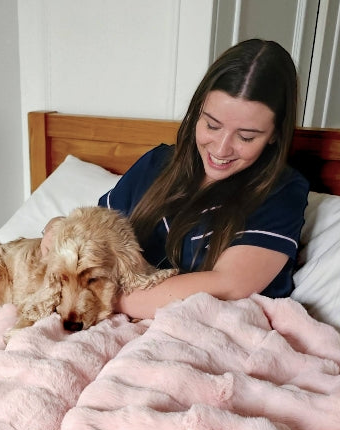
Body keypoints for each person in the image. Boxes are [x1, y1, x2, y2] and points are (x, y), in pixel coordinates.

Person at [41, 39, 309, 320]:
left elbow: (227, 286)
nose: (221, 149)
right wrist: (56, 227)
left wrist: (102, 296)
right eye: (212, 125)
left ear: (275, 134)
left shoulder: (282, 193)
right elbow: (92, 235)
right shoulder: (156, 164)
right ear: (197, 112)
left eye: (246, 137)